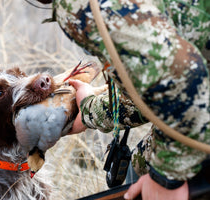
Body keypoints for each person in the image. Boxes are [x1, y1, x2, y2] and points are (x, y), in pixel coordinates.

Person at [35, 0, 210, 199]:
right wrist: (90, 110)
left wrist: (167, 179)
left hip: (199, 106)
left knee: (141, 175)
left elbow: (184, 81)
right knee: (136, 167)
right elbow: (157, 82)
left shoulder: (80, 5)